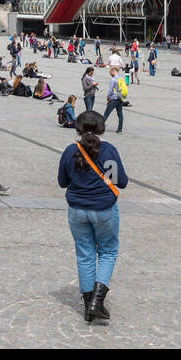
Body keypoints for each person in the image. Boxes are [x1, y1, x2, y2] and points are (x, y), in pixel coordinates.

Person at [59, 110, 127, 322]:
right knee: (107, 252)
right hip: (104, 209)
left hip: (77, 210)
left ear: (78, 129)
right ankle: (97, 300)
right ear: (101, 128)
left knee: (85, 254)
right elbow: (121, 181)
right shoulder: (109, 151)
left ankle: (89, 304)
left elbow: (62, 182)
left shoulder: (70, 151)